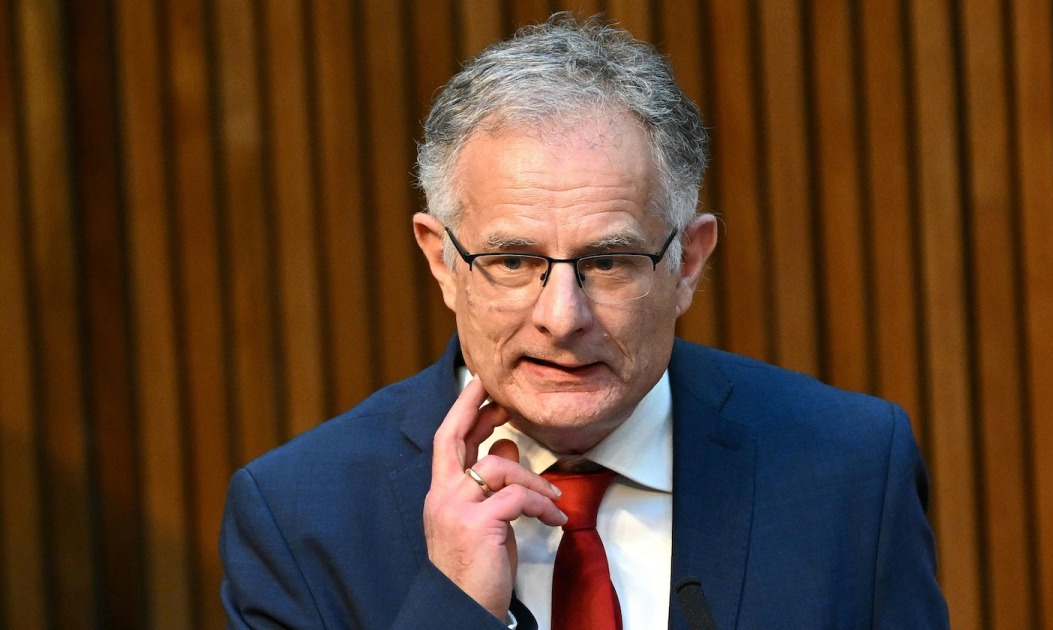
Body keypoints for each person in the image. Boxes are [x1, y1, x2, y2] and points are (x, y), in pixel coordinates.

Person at [220, 12, 949, 629]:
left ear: (688, 262)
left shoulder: (850, 468)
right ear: (442, 261)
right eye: (513, 260)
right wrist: (454, 607)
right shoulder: (300, 518)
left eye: (607, 261)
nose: (562, 318)